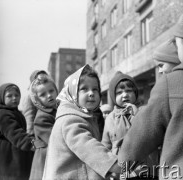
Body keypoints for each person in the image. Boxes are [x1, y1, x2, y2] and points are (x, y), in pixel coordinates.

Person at [42, 64, 121, 180]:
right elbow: (91, 150)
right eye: (84, 88)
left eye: (95, 89)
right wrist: (119, 166)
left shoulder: (83, 115)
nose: (91, 93)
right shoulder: (70, 120)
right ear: (72, 93)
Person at [118, 41, 183, 179]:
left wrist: (121, 165)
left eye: (161, 65)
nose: (159, 71)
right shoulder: (113, 118)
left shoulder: (168, 84)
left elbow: (135, 144)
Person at [0, 83, 35, 180]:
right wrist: (32, 143)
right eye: (9, 96)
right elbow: (15, 133)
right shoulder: (3, 114)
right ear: (1, 97)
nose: (14, 98)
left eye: (17, 95)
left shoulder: (15, 112)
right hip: (9, 158)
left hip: (17, 153)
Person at [29, 75, 58, 180]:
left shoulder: (59, 109)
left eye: (51, 91)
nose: (49, 95)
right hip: (46, 160)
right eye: (43, 94)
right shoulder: (42, 118)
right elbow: (54, 141)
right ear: (37, 99)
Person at [22, 70, 48, 135]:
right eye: (39, 80)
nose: (42, 83)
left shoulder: (47, 95)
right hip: (36, 134)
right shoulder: (29, 97)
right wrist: (31, 135)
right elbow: (29, 117)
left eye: (45, 80)